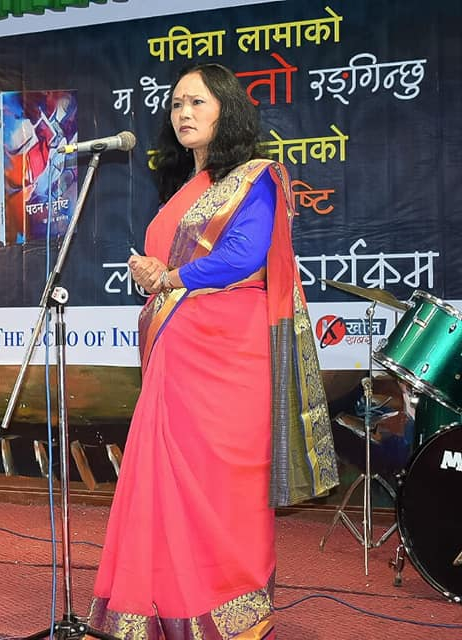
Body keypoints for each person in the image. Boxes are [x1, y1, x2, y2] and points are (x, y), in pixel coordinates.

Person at [87, 64, 338, 639]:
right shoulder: (181, 191)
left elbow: (244, 257)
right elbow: (176, 271)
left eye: (197, 102)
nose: (183, 113)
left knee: (223, 484)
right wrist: (155, 274)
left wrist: (170, 277)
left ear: (226, 109)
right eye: (176, 104)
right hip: (179, 349)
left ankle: (228, 605)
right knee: (165, 478)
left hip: (228, 353)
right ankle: (159, 605)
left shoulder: (255, 178)